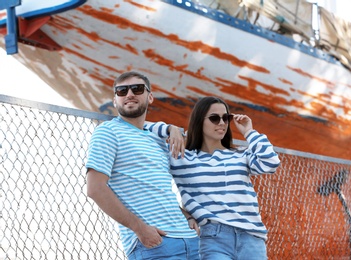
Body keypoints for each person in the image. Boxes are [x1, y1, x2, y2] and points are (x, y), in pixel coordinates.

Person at [146, 96, 280, 259]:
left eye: (226, 118)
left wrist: (249, 132)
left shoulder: (240, 155)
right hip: (212, 238)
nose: (222, 123)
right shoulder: (181, 157)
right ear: (199, 121)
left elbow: (271, 162)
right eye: (215, 118)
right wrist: (170, 129)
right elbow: (137, 130)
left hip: (251, 237)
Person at [85, 71, 199, 260]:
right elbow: (95, 189)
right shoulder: (108, 132)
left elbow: (157, 190)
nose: (129, 94)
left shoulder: (157, 138)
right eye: (121, 91)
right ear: (115, 101)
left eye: (137, 89)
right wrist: (140, 229)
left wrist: (186, 216)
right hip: (156, 245)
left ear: (150, 96)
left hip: (192, 241)